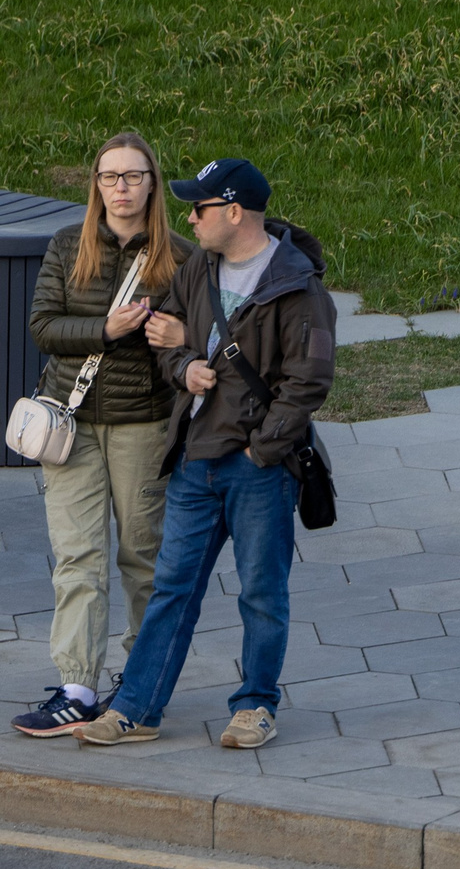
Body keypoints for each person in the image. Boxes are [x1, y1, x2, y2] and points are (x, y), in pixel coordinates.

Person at [77, 159, 335, 752]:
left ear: (234, 212)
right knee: (173, 587)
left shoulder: (299, 288)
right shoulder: (199, 270)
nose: (188, 218)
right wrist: (182, 365)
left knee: (260, 591)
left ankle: (255, 707)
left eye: (200, 208)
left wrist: (261, 448)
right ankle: (137, 709)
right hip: (196, 457)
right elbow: (167, 333)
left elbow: (309, 382)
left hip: (258, 469)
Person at [15, 134, 194, 737]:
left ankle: (140, 688)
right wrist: (106, 328)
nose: (120, 187)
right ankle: (78, 686)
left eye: (133, 176)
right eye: (109, 177)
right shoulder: (70, 245)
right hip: (72, 423)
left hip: (143, 424)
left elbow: (198, 340)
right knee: (77, 556)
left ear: (151, 182)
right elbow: (43, 326)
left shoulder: (182, 256)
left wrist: (175, 338)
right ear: (95, 185)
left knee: (143, 557)